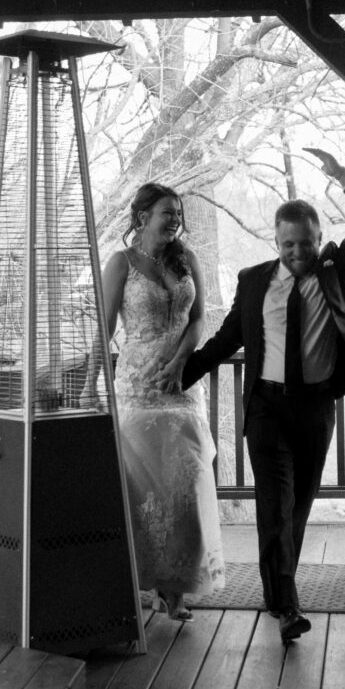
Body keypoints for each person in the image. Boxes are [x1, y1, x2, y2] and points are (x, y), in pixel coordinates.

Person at [181, 148, 345, 643]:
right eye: (288, 244)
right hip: (266, 407)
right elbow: (226, 340)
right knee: (275, 505)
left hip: (316, 408)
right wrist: (179, 374)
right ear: (275, 240)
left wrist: (343, 177)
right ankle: (288, 607)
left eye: (305, 243)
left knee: (298, 508)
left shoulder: (334, 273)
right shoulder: (254, 282)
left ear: (319, 241)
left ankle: (277, 591)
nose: (297, 253)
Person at [80, 182, 225, 621]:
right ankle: (144, 583)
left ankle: (176, 590)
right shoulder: (121, 263)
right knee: (143, 490)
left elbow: (198, 317)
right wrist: (90, 385)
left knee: (187, 485)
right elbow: (105, 328)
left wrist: (182, 360)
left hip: (181, 388)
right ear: (143, 217)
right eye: (168, 211)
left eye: (179, 212)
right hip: (137, 389)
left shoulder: (188, 260)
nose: (176, 218)